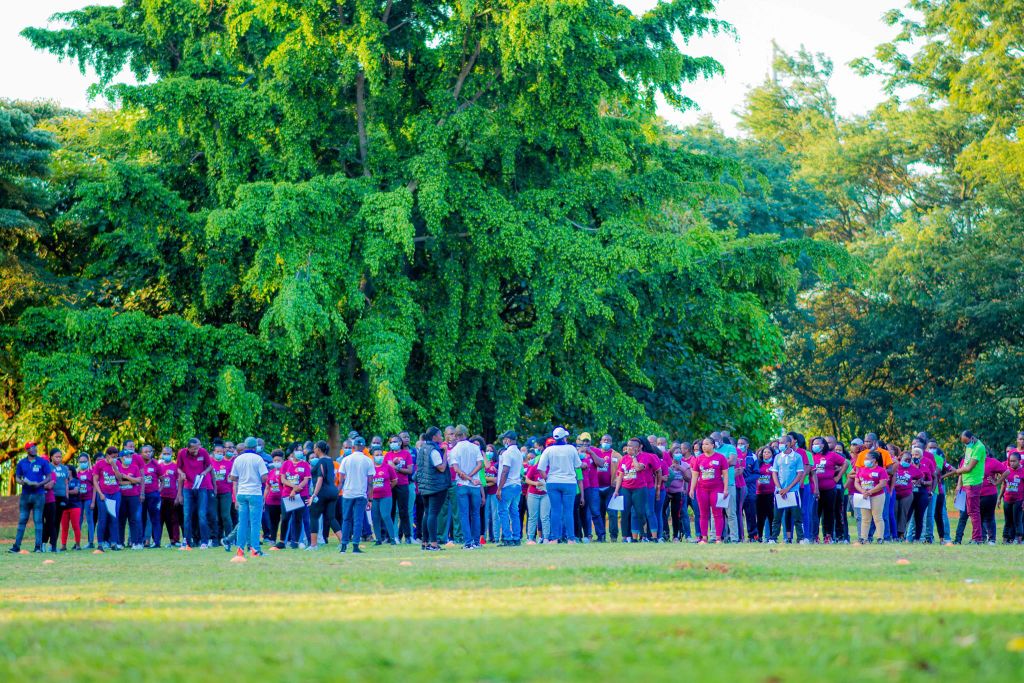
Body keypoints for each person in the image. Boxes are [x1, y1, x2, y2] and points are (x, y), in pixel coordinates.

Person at [536, 427, 582, 545]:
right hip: (569, 482)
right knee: (568, 510)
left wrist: (547, 478)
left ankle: (555, 538)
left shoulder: (549, 450)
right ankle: (571, 539)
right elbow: (578, 465)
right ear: (564, 437)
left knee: (555, 510)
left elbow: (540, 468)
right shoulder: (571, 449)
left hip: (553, 482)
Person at [229, 436, 269, 557]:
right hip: (255, 493)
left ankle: (240, 549)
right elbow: (264, 478)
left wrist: (243, 477)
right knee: (255, 523)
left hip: (241, 493)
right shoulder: (258, 459)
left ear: (245, 446)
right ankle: (255, 549)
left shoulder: (238, 459)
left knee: (242, 522)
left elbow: (233, 477)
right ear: (255, 447)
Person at [944, 431, 986, 544]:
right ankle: (965, 539)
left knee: (974, 511)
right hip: (966, 483)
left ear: (972, 438)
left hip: (973, 483)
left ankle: (977, 539)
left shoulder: (979, 447)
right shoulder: (969, 446)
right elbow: (965, 464)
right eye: (964, 443)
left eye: (967, 442)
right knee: (965, 512)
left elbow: (968, 468)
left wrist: (953, 472)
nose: (966, 445)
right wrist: (959, 484)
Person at [11, 443, 52, 553]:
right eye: (31, 448)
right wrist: (22, 482)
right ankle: (16, 546)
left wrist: (40, 484)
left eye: (35, 447)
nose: (34, 449)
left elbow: (49, 477)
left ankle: (37, 547)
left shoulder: (43, 462)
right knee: (22, 520)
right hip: (25, 495)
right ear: (27, 450)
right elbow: (17, 478)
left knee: (38, 520)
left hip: (39, 495)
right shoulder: (21, 463)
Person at [447, 425, 484, 549]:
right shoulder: (475, 447)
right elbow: (480, 464)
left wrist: (467, 477)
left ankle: (468, 543)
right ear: (466, 434)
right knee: (475, 514)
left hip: (462, 485)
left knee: (464, 514)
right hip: (475, 486)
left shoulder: (454, 450)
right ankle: (477, 542)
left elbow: (456, 469)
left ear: (457, 436)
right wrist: (472, 477)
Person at [415, 426, 449, 551]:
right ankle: (434, 544)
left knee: (427, 513)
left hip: (424, 486)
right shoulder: (434, 450)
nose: (442, 437)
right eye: (440, 435)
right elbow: (441, 467)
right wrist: (445, 453)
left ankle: (424, 543)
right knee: (433, 514)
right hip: (436, 486)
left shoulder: (422, 448)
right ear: (434, 436)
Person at [338, 439, 374, 554]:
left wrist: (338, 492)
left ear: (353, 447)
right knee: (358, 520)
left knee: (346, 519)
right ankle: (355, 546)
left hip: (347, 494)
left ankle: (343, 546)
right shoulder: (368, 460)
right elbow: (370, 482)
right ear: (364, 447)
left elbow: (341, 480)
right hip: (360, 494)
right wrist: (370, 499)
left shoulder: (346, 460)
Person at [690, 437, 729, 544]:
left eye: (707, 444)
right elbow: (695, 476)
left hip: (717, 488)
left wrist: (726, 489)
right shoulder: (699, 459)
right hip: (702, 489)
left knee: (718, 513)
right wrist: (692, 489)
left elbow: (725, 475)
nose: (704, 446)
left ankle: (718, 538)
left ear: (713, 445)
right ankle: (704, 538)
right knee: (703, 514)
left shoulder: (721, 458)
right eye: (703, 444)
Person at [177, 438, 213, 548]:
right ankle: (187, 541)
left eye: (198, 448)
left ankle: (204, 541)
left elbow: (210, 466)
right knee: (187, 515)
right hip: (188, 487)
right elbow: (178, 468)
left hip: (201, 487)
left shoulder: (203, 452)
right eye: (194, 449)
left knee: (202, 514)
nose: (196, 450)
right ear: (188, 448)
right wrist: (182, 473)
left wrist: (204, 473)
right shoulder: (182, 453)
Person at [770, 435, 806, 544]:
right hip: (779, 492)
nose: (780, 445)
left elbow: (799, 474)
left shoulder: (797, 457)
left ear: (789, 444)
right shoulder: (777, 457)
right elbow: (774, 473)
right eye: (779, 442)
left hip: (793, 491)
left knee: (797, 517)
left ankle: (800, 538)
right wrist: (780, 488)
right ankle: (773, 538)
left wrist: (788, 488)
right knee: (777, 517)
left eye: (783, 442)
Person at [307, 440, 342, 549]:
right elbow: (334, 477)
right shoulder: (330, 460)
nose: (313, 450)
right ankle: (343, 542)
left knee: (313, 516)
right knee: (331, 517)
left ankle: (313, 545)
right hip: (333, 491)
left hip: (323, 492)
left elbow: (320, 479)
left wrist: (314, 495)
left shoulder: (321, 461)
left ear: (318, 449)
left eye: (314, 447)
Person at [613, 438, 649, 543]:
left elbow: (638, 468)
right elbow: (620, 475)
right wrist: (616, 490)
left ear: (638, 448)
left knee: (640, 513)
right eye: (628, 446)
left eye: (632, 446)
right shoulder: (623, 459)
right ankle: (626, 536)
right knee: (624, 513)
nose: (629, 448)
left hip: (639, 489)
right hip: (626, 488)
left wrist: (633, 457)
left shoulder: (643, 457)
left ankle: (643, 536)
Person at [810, 437, 846, 543]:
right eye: (813, 444)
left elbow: (845, 463)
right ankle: (815, 536)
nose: (814, 446)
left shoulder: (832, 455)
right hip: (815, 490)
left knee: (829, 513)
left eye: (817, 444)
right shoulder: (811, 456)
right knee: (815, 513)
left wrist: (838, 477)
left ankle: (828, 536)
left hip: (829, 489)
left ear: (823, 445)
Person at [93, 446, 126, 551]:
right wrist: (100, 493)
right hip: (104, 494)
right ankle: (100, 544)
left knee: (114, 518)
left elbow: (120, 478)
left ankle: (114, 543)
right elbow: (95, 480)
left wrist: (114, 465)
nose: (115, 458)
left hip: (115, 494)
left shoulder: (117, 464)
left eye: (117, 457)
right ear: (107, 455)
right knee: (103, 519)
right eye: (113, 456)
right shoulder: (99, 464)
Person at [496, 430, 524, 546]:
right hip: (517, 485)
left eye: (504, 439)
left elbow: (505, 471)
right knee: (514, 512)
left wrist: (499, 489)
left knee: (503, 511)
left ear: (508, 440)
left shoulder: (507, 453)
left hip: (507, 485)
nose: (503, 441)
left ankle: (507, 538)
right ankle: (517, 537)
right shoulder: (519, 453)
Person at [855, 450, 888, 544]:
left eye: (867, 459)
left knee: (877, 517)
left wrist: (870, 492)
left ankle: (880, 538)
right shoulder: (861, 469)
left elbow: (882, 484)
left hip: (877, 496)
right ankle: (863, 538)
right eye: (865, 459)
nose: (865, 461)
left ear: (875, 460)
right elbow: (856, 482)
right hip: (864, 496)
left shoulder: (881, 470)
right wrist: (862, 491)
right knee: (865, 518)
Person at [386, 435, 414, 543]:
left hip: (403, 484)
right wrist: (391, 467)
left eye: (396, 441)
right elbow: (384, 469)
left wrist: (397, 468)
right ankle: (391, 537)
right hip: (391, 486)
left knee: (404, 511)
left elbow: (410, 470)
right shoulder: (387, 455)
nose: (393, 443)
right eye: (391, 441)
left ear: (400, 443)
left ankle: (407, 536)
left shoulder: (406, 454)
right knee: (391, 511)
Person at [370, 444, 399, 545]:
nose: (379, 456)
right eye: (377, 455)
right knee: (375, 517)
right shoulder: (370, 468)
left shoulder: (387, 467)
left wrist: (387, 488)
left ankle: (392, 538)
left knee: (386, 515)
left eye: (380, 454)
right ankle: (378, 539)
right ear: (373, 456)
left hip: (386, 496)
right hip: (374, 498)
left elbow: (395, 480)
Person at [116, 449, 144, 549]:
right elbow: (118, 482)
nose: (129, 458)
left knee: (134, 520)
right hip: (121, 496)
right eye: (126, 457)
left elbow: (139, 480)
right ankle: (120, 542)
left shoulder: (135, 467)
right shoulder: (117, 467)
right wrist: (131, 481)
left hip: (133, 496)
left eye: (130, 457)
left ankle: (135, 542)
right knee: (121, 520)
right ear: (121, 458)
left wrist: (125, 476)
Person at [893, 451, 922, 541]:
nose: (908, 462)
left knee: (903, 513)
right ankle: (893, 533)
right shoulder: (895, 466)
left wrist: (915, 483)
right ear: (900, 458)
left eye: (909, 460)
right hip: (894, 493)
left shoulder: (912, 468)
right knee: (894, 512)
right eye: (906, 459)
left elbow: (921, 475)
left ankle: (901, 533)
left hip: (906, 494)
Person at [66, 452, 92, 550]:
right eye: (81, 462)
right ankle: (77, 543)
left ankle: (91, 542)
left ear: (88, 461)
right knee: (78, 522)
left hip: (88, 498)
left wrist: (93, 501)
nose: (83, 463)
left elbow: (94, 486)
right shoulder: (76, 473)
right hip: (78, 500)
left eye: (85, 461)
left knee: (90, 520)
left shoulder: (91, 472)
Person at [524, 446, 550, 544]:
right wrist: (536, 483)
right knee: (532, 516)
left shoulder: (549, 468)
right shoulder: (534, 467)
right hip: (533, 494)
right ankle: (531, 538)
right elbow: (527, 479)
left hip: (545, 494)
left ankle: (546, 537)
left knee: (545, 516)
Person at [47, 448, 71, 552]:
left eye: (60, 456)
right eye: (56, 456)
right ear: (51, 457)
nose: (59, 458)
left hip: (61, 497)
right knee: (49, 521)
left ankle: (53, 544)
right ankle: (44, 542)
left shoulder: (64, 468)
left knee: (57, 521)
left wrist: (67, 497)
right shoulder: (48, 467)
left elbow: (66, 483)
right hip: (51, 497)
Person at [157, 447, 181, 547]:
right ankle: (156, 541)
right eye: (164, 453)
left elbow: (179, 482)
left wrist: (178, 496)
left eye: (168, 453)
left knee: (174, 519)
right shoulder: (159, 466)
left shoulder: (175, 467)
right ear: (161, 454)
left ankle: (174, 540)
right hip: (160, 497)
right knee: (159, 519)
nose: (166, 455)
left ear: (172, 454)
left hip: (172, 497)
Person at [210, 444, 234, 544]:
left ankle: (229, 538)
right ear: (213, 453)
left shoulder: (229, 464)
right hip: (213, 493)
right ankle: (215, 539)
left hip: (226, 493)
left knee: (225, 516)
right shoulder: (209, 463)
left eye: (221, 452)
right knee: (215, 517)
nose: (219, 454)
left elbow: (232, 478)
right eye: (217, 452)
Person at [139, 446, 162, 548]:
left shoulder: (156, 464)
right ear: (141, 453)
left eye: (150, 451)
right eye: (145, 452)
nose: (148, 453)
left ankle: (156, 542)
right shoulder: (137, 464)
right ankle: (142, 541)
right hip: (141, 496)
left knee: (155, 519)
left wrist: (157, 492)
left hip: (153, 496)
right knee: (141, 518)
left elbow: (163, 480)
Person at [1000, 452, 1023, 543]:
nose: (1012, 463)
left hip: (1018, 500)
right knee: (1007, 521)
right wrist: (999, 498)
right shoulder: (1007, 471)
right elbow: (1003, 484)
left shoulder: (1023, 471)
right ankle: (1005, 539)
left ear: (1019, 461)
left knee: (1017, 520)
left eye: (1014, 461)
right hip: (1007, 500)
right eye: (1010, 461)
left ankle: (1019, 539)